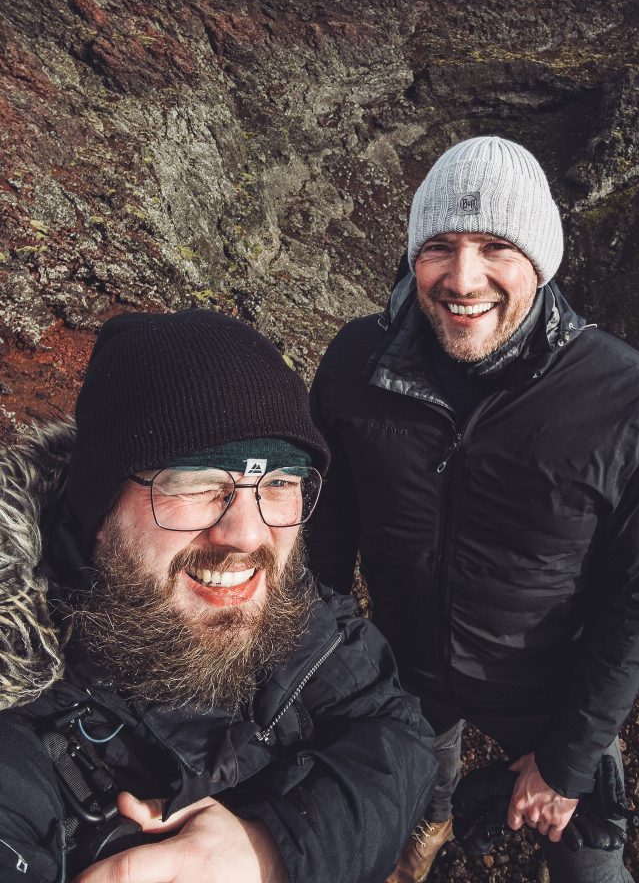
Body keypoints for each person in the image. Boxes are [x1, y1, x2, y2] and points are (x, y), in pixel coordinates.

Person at [309, 136, 639, 883]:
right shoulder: (357, 365)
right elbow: (321, 544)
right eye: (440, 246)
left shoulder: (629, 402)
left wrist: (568, 760)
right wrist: (326, 680)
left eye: (496, 247)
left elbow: (638, 596)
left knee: (592, 867)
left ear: (541, 261)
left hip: (550, 690)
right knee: (394, 820)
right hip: (404, 666)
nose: (462, 277)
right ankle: (431, 818)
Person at [0, 309, 436, 883]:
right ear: (97, 506)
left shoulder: (282, 601)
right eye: (197, 485)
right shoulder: (18, 700)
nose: (248, 535)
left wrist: (272, 851)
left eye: (279, 483)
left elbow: (395, 728)